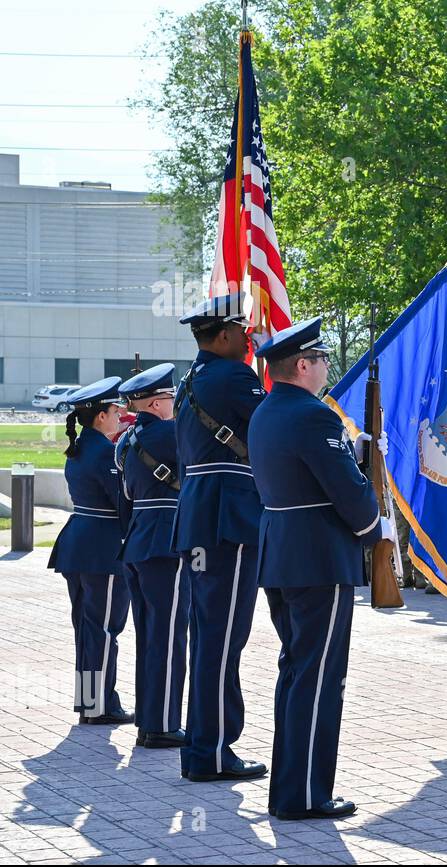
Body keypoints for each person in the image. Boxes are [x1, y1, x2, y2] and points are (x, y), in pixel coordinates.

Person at [248, 318, 395, 820]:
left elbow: (302, 473)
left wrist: (350, 458)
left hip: (282, 554)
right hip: (317, 558)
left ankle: (292, 790)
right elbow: (348, 496)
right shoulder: (315, 416)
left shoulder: (267, 411)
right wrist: (375, 526)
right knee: (318, 679)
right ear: (303, 365)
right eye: (323, 359)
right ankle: (305, 796)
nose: (327, 367)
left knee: (296, 673)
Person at [173, 293, 267, 783]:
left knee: (209, 636)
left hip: (199, 518)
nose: (250, 340)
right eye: (245, 332)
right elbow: (269, 431)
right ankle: (210, 751)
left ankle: (203, 747)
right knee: (221, 639)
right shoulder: (234, 377)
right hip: (227, 519)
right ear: (226, 334)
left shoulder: (189, 381)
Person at [49, 377, 133, 726]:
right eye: (116, 410)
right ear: (101, 416)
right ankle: (99, 704)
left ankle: (90, 701)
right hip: (103, 548)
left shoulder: (82, 448)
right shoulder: (103, 452)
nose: (120, 416)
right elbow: (122, 500)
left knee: (88, 630)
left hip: (80, 544)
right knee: (103, 629)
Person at [116, 364, 189, 747]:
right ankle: (161, 725)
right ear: (159, 402)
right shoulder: (170, 434)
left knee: (149, 636)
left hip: (138, 542)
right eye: (171, 398)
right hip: (166, 543)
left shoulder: (127, 441)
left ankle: (149, 718)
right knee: (169, 635)